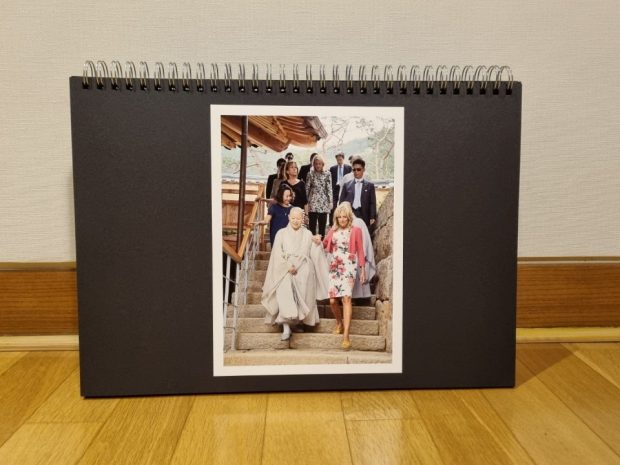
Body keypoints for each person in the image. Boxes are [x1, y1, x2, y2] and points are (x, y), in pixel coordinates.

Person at [261, 208, 329, 341]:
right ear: (289, 218)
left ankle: (297, 322)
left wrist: (317, 243)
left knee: (304, 279)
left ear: (302, 219)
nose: (296, 221)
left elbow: (314, 252)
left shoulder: (308, 233)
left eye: (298, 218)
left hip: (303, 266)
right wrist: (287, 266)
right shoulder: (281, 233)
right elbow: (277, 254)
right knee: (285, 286)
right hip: (285, 266)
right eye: (293, 218)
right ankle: (286, 326)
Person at [323, 202, 366, 349]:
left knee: (346, 298)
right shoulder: (332, 231)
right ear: (336, 218)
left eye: (344, 217)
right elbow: (324, 244)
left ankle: (346, 335)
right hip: (335, 265)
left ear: (348, 218)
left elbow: (360, 250)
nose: (342, 219)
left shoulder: (356, 230)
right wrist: (316, 239)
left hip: (349, 265)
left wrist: (363, 270)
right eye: (339, 217)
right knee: (333, 301)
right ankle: (339, 322)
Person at [339, 158, 377, 229]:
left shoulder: (370, 186)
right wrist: (341, 215)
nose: (356, 172)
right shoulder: (346, 185)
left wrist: (372, 216)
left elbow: (372, 203)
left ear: (363, 170)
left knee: (363, 236)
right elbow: (341, 202)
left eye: (359, 169)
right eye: (354, 170)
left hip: (364, 214)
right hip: (350, 214)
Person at [305, 154, 332, 238]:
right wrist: (306, 203)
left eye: (319, 164)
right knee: (312, 226)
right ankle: (312, 246)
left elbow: (329, 188)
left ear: (323, 164)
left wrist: (330, 202)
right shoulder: (310, 174)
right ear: (313, 164)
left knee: (322, 227)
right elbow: (307, 188)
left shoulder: (327, 174)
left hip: (323, 203)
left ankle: (321, 246)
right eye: (316, 163)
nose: (318, 165)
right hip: (312, 202)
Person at [351, 217, 376, 298]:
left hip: (358, 253)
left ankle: (360, 297)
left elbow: (363, 239)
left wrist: (363, 253)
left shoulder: (358, 222)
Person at [329, 152, 351, 225]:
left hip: (345, 188)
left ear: (343, 159)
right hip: (335, 188)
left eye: (340, 159)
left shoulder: (348, 168)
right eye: (338, 160)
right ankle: (332, 223)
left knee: (344, 205)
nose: (339, 161)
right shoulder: (332, 168)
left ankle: (344, 222)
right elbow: (330, 179)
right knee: (333, 206)